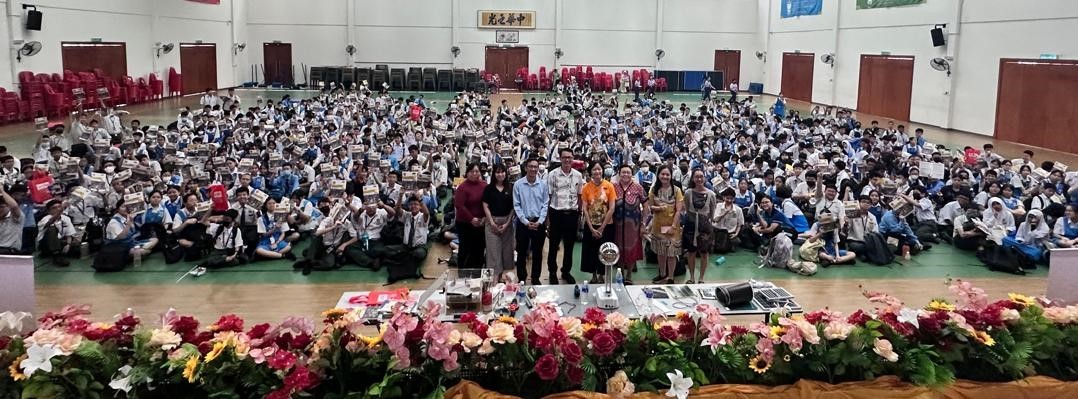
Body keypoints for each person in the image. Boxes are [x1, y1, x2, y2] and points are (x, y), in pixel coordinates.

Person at [546, 148, 584, 284]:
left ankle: (566, 271)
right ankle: (552, 272)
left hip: (572, 215)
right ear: (560, 158)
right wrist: (548, 219)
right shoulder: (552, 174)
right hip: (556, 214)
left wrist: (579, 214)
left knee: (569, 246)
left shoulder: (578, 175)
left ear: (573, 158)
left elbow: (579, 196)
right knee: (553, 245)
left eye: (569, 157)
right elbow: (548, 196)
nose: (567, 160)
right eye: (564, 157)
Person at [513, 158, 549, 285]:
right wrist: (525, 222)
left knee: (537, 253)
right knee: (521, 252)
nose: (533, 169)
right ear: (525, 168)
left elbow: (545, 204)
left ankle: (535, 278)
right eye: (530, 166)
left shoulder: (543, 185)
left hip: (538, 223)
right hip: (523, 224)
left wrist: (540, 221)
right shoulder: (518, 185)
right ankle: (522, 278)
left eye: (535, 167)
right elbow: (516, 205)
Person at [579, 162, 616, 284]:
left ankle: (601, 275)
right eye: (594, 169)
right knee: (591, 251)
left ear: (602, 171)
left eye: (599, 169)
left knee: (604, 251)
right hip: (591, 225)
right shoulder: (586, 187)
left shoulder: (609, 186)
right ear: (590, 172)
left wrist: (601, 228)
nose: (597, 172)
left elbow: (611, 208)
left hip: (606, 226)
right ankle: (593, 275)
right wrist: (591, 228)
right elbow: (585, 209)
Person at [648, 165, 683, 284]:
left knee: (671, 253)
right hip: (658, 226)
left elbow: (678, 210)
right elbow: (650, 207)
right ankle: (662, 274)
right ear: (658, 175)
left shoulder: (677, 190)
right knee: (660, 252)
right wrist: (659, 208)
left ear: (671, 176)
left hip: (672, 227)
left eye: (667, 174)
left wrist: (673, 226)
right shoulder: (654, 189)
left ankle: (671, 277)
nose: (665, 176)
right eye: (662, 174)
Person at [612, 164, 646, 285]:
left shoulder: (638, 187)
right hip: (617, 225)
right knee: (619, 249)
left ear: (632, 175)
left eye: (628, 172)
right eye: (623, 172)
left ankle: (629, 275)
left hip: (634, 226)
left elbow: (646, 205)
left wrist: (643, 224)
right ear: (619, 174)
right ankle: (620, 274)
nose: (625, 174)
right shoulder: (613, 187)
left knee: (632, 250)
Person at [682, 169, 717, 284]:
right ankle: (692, 277)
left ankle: (701, 278)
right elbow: (687, 209)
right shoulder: (688, 193)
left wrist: (705, 222)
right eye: (696, 177)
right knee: (691, 252)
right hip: (691, 225)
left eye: (701, 176)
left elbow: (712, 212)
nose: (699, 179)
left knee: (704, 252)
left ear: (704, 178)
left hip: (705, 226)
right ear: (693, 179)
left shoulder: (711, 194)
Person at [482, 164, 515, 277]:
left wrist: (507, 223)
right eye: (497, 172)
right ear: (494, 174)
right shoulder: (488, 188)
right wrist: (492, 223)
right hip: (492, 223)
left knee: (507, 252)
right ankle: (495, 279)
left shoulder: (511, 188)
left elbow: (513, 208)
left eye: (502, 172)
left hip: (507, 223)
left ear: (506, 173)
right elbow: (485, 206)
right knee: (493, 253)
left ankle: (503, 278)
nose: (500, 174)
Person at [454, 163, 487, 268]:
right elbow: (459, 205)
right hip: (465, 223)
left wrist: (484, 217)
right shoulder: (462, 187)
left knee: (479, 248)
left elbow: (487, 203)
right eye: (471, 171)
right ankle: (463, 272)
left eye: (477, 171)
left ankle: (477, 272)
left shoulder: (484, 185)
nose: (474, 174)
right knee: (465, 248)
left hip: (481, 222)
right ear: (467, 173)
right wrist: (471, 219)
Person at [36, 199, 76, 266]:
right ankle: (56, 255)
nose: (58, 209)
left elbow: (69, 234)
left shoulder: (66, 218)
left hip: (60, 241)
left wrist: (68, 244)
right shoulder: (45, 219)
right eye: (54, 208)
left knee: (76, 247)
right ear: (49, 211)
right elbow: (49, 222)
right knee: (52, 228)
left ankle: (62, 253)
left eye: (59, 207)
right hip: (46, 243)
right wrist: (60, 211)